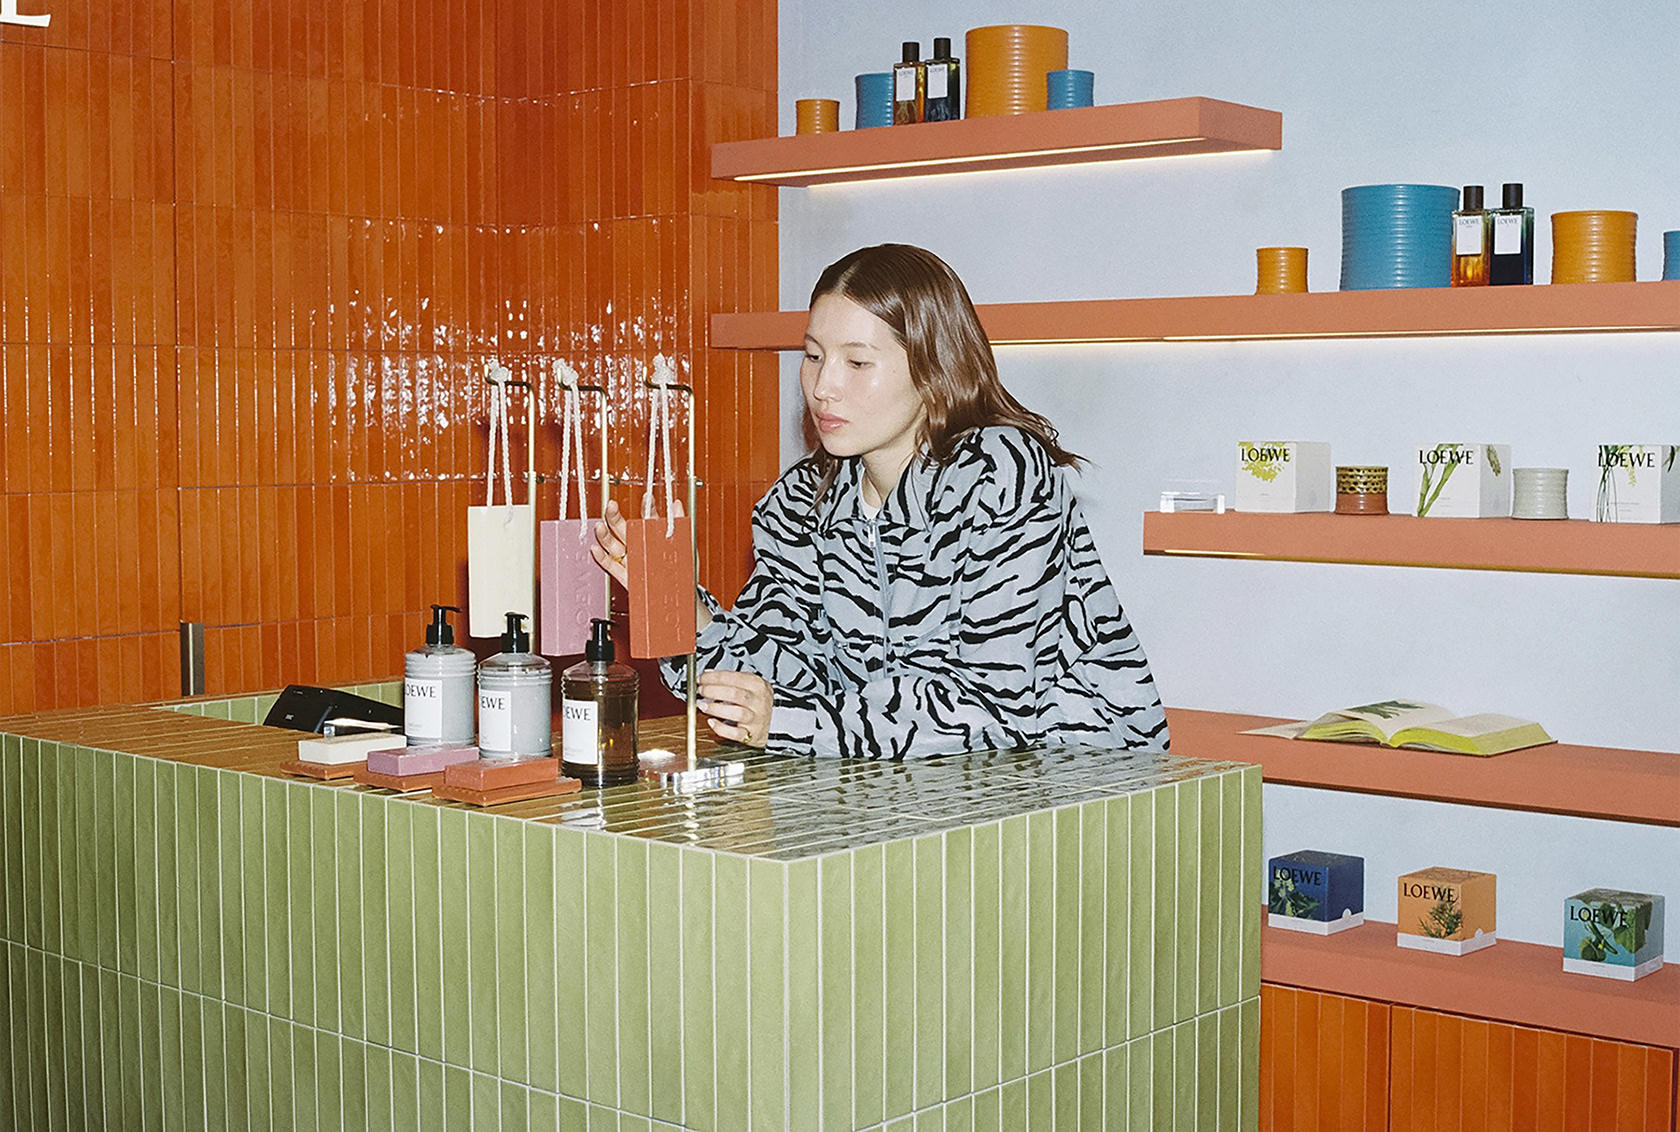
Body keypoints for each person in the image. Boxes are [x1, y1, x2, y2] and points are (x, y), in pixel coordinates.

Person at [592, 243, 1168, 760]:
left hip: (1088, 785)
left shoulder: (1000, 473)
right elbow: (783, 680)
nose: (823, 387)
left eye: (857, 362)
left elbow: (994, 701)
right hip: (919, 790)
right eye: (813, 356)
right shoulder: (799, 503)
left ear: (933, 367)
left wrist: (791, 723)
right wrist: (678, 605)